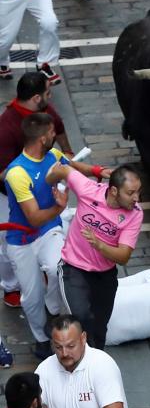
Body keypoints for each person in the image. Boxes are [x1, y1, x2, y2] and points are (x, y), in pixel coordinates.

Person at [46, 163, 143, 350]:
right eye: (130, 193)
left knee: (99, 329)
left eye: (138, 192)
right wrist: (48, 187)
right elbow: (63, 168)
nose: (136, 198)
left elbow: (123, 257)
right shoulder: (88, 189)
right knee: (82, 318)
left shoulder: (135, 215)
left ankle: (96, 366)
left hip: (104, 275)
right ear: (114, 191)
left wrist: (99, 245)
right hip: (73, 268)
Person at [4, 113, 69, 359]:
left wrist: (96, 170)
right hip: (21, 240)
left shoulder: (52, 155)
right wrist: (60, 208)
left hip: (48, 230)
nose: (56, 135)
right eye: (53, 133)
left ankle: (54, 308)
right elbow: (33, 217)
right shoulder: (17, 173)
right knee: (31, 297)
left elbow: (71, 165)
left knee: (57, 267)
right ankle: (42, 338)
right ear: (43, 138)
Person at [36, 315, 133, 408]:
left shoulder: (102, 364)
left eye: (71, 346)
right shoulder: (44, 369)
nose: (65, 353)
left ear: (83, 338)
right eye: (58, 347)